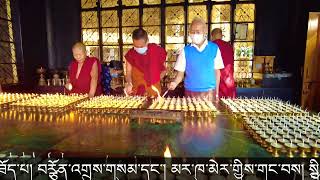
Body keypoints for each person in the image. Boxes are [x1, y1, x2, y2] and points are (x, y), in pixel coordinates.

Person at [167, 18, 224, 101]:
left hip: (209, 92)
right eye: (192, 32)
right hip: (190, 92)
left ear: (205, 32)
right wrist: (174, 83)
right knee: (190, 114)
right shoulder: (185, 50)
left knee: (209, 114)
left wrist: (217, 92)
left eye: (197, 32)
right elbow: (180, 74)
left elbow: (217, 72)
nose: (194, 34)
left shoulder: (214, 48)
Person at [124, 28, 167, 97]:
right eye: (136, 46)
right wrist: (129, 83)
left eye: (141, 46)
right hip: (136, 92)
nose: (138, 48)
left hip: (154, 90)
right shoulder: (130, 54)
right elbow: (128, 73)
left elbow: (164, 70)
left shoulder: (157, 51)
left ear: (147, 41)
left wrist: (155, 79)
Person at [211, 28, 236, 98]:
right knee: (229, 106)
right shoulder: (229, 46)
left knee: (213, 106)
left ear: (212, 36)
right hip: (228, 81)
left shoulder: (210, 46)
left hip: (214, 82)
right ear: (222, 36)